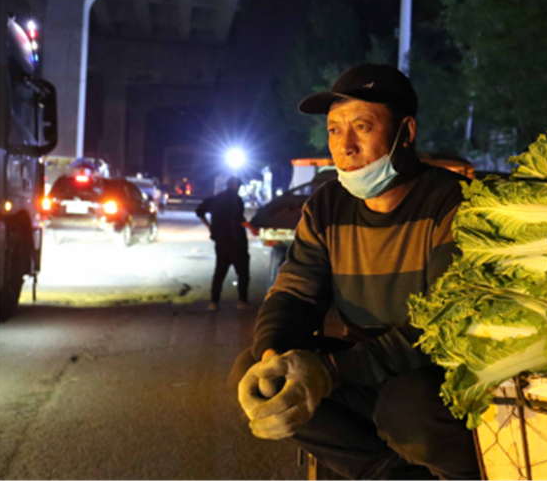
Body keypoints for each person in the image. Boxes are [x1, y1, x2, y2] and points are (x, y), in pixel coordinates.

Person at [231, 64, 481, 479]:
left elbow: (445, 328)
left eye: (362, 126)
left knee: (405, 407)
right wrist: (274, 353)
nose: (344, 146)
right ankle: (389, 474)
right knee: (253, 372)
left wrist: (329, 372)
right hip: (361, 368)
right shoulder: (327, 204)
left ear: (407, 132)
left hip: (434, 374)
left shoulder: (451, 203)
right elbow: (295, 294)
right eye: (333, 130)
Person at [196, 176, 253, 311]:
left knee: (219, 272)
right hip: (236, 241)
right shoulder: (236, 199)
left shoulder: (216, 199)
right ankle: (242, 301)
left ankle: (214, 302)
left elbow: (199, 211)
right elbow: (238, 218)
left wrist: (209, 226)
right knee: (243, 273)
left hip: (221, 241)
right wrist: (252, 228)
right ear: (237, 186)